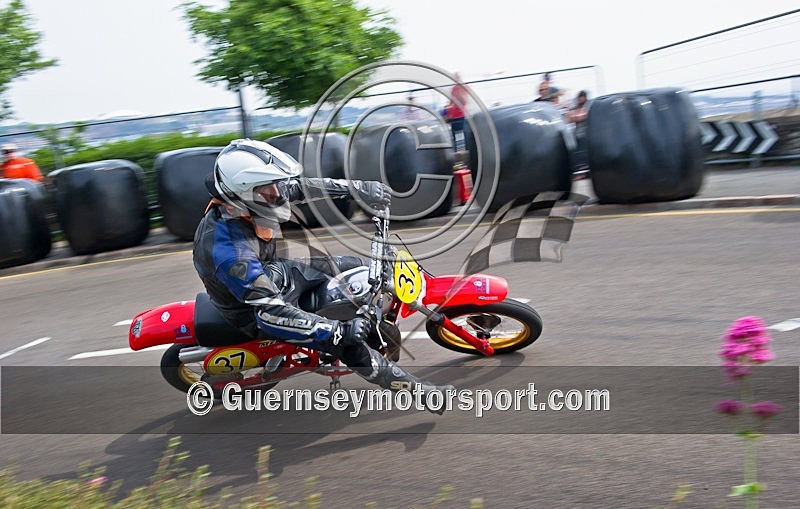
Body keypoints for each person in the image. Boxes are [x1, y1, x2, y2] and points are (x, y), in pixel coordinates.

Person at [193, 139, 453, 411]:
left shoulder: (249, 198)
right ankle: (424, 393)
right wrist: (338, 331)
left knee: (352, 265)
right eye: (268, 187)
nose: (278, 192)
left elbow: (299, 187)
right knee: (351, 346)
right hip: (258, 309)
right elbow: (271, 314)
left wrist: (358, 189)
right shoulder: (228, 252)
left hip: (276, 274)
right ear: (244, 192)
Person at [567, 90, 590, 176]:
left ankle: (585, 170)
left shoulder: (588, 106)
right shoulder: (576, 107)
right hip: (578, 134)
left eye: (582, 97)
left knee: (585, 152)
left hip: (586, 134)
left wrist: (577, 116)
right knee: (578, 153)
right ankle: (580, 171)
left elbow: (585, 115)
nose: (580, 99)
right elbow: (570, 118)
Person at [444, 72, 468, 151]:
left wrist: (459, 92)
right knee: (454, 137)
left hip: (461, 115)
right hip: (453, 116)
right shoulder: (453, 88)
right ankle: (455, 151)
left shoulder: (464, 87)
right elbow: (451, 101)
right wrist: (447, 111)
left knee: (464, 135)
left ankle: (465, 150)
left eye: (457, 77)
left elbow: (464, 101)